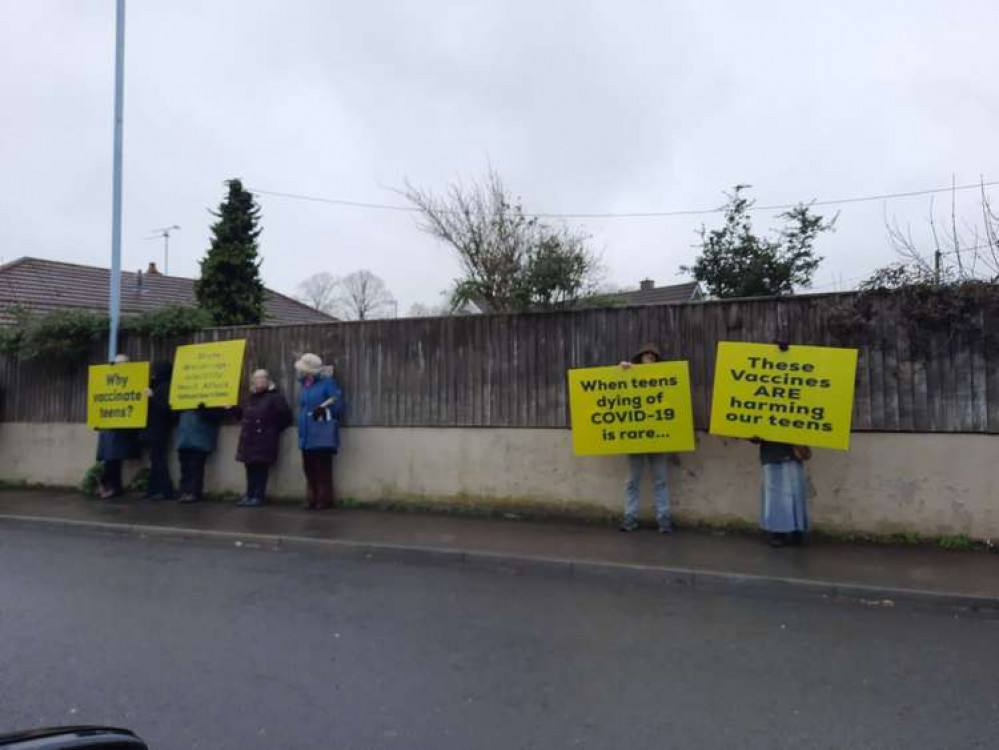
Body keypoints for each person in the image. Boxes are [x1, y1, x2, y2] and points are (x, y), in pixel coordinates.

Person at [617, 343, 672, 533]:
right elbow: (615, 391)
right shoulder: (628, 375)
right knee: (632, 481)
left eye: (652, 355)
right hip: (636, 439)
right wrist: (623, 369)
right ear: (639, 358)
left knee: (661, 480)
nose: (649, 356)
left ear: (657, 359)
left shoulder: (666, 377)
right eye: (646, 354)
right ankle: (630, 518)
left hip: (658, 438)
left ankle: (664, 519)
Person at [234, 369, 293, 507]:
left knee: (260, 469)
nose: (259, 381)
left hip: (265, 440)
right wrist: (233, 409)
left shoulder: (275, 397)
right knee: (249, 468)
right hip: (249, 439)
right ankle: (249, 494)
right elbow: (244, 415)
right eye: (256, 378)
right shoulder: (252, 397)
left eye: (262, 378)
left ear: (268, 380)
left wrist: (273, 430)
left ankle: (258, 496)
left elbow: (286, 417)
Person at [295, 353, 342, 510]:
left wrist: (325, 409)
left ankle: (324, 498)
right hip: (306, 431)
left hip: (320, 429)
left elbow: (337, 404)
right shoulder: (305, 384)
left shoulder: (327, 383)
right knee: (308, 467)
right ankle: (312, 497)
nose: (300, 372)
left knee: (322, 466)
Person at [96, 354, 141, 499]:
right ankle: (110, 485)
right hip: (110, 424)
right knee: (112, 458)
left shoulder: (132, 378)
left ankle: (114, 487)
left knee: (115, 458)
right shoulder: (107, 378)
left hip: (121, 424)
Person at [758, 440, 811, 547]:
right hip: (774, 453)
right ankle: (780, 532)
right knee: (777, 495)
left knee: (793, 493)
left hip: (789, 452)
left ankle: (793, 531)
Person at [176, 404, 226, 503]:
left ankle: (193, 492)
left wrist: (202, 409)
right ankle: (185, 491)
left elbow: (217, 415)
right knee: (185, 467)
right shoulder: (183, 403)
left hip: (200, 438)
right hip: (185, 438)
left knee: (195, 467)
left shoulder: (211, 403)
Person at [142, 360, 174, 500]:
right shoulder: (158, 386)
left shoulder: (166, 387)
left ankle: (165, 490)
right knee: (155, 459)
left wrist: (152, 397)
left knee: (158, 459)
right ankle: (153, 489)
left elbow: (166, 408)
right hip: (154, 428)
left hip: (159, 428)